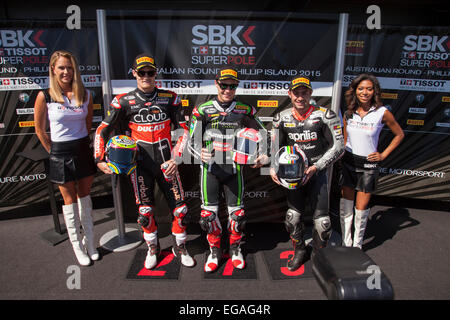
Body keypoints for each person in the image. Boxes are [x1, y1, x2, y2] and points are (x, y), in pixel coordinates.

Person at [94, 53, 195, 269]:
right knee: (145, 211)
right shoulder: (122, 101)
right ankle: (153, 248)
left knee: (181, 210)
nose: (146, 76)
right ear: (134, 74)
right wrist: (99, 158)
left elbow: (185, 130)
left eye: (150, 72)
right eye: (142, 72)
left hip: (168, 163)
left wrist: (177, 158)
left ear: (156, 73)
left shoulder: (171, 98)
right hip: (139, 165)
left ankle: (181, 247)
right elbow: (103, 129)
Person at [187, 67, 268, 272]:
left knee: (237, 216)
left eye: (232, 86)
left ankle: (235, 249)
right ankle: (214, 251)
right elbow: (190, 141)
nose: (227, 89)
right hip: (210, 170)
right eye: (224, 85)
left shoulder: (244, 110)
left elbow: (265, 133)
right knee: (208, 216)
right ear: (217, 84)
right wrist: (199, 153)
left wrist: (265, 154)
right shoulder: (203, 110)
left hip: (234, 169)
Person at [270, 76, 344, 271]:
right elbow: (273, 147)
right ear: (290, 94)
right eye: (296, 93)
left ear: (310, 93)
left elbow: (339, 147)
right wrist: (272, 167)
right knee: (292, 217)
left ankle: (320, 254)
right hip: (293, 175)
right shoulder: (281, 118)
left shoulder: (326, 115)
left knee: (323, 222)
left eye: (304, 92)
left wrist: (316, 167)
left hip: (317, 173)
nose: (300, 97)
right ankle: (300, 250)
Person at [34, 50, 98, 266]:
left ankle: (90, 243)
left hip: (82, 149)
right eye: (61, 67)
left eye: (70, 67)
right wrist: (53, 151)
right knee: (69, 201)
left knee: (85, 197)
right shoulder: (45, 95)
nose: (66, 72)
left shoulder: (86, 94)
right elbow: (40, 130)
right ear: (53, 69)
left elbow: (88, 125)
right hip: (60, 153)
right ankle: (78, 248)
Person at [340, 74, 404, 249]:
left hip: (368, 165)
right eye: (361, 88)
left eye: (369, 89)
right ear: (355, 91)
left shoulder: (382, 112)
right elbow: (345, 139)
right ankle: (346, 243)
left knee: (361, 209)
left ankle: (357, 245)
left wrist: (383, 155)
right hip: (348, 162)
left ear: (374, 91)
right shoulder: (348, 112)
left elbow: (399, 134)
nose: (365, 92)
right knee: (346, 206)